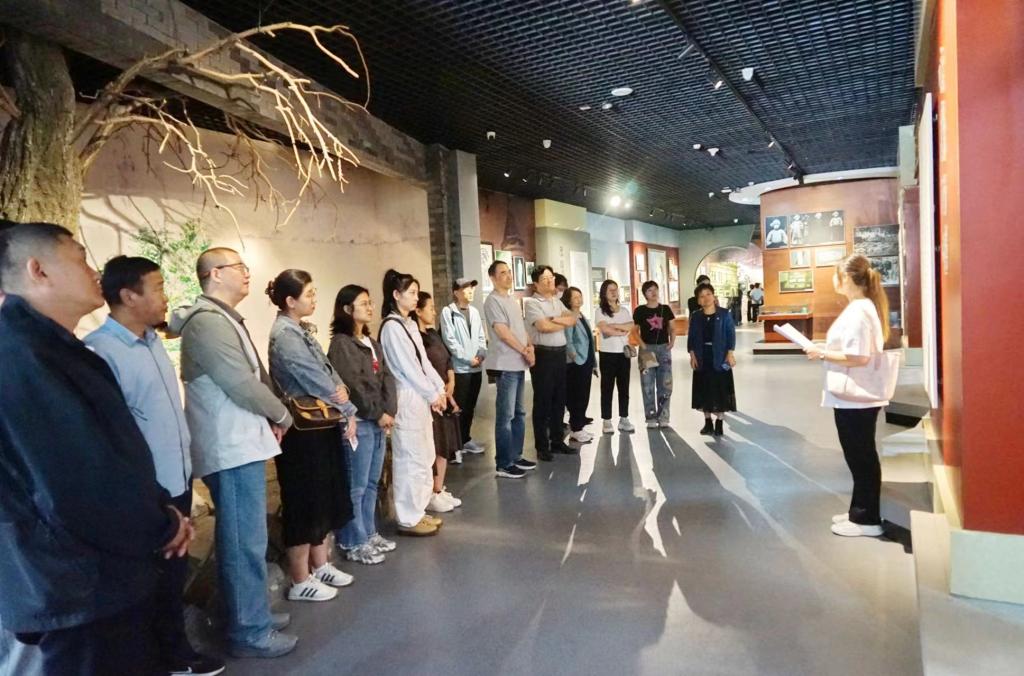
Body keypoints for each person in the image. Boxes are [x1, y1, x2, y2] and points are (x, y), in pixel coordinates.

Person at [0, 222, 192, 674]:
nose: (94, 271)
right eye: (81, 258)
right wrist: (160, 526)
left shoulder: (54, 348)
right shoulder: (23, 356)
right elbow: (76, 480)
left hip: (101, 577)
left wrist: (160, 507)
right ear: (38, 270)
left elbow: (114, 453)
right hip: (76, 585)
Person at [85, 256, 224, 676]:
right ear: (129, 296)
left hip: (175, 478)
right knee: (149, 581)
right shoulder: (101, 351)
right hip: (144, 490)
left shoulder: (151, 341)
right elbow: (114, 434)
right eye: (159, 288)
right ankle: (163, 658)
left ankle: (175, 654)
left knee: (172, 576)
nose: (166, 297)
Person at [169, 247, 298, 659]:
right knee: (244, 540)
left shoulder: (220, 317)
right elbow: (240, 382)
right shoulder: (207, 322)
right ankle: (249, 629)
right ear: (214, 274)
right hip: (230, 446)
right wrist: (282, 413)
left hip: (240, 442)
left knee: (247, 538)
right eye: (239, 267)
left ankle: (249, 613)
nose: (247, 273)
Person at [266, 270, 358, 602]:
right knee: (304, 501)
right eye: (309, 294)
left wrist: (342, 394)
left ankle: (320, 565)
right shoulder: (284, 335)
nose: (315, 299)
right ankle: (300, 578)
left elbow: (328, 371)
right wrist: (346, 406)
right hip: (302, 430)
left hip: (321, 423)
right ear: (290, 301)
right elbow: (312, 378)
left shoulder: (299, 329)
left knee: (323, 497)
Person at [804, 254, 891, 538]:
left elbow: (858, 356)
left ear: (847, 278)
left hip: (856, 398)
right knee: (860, 456)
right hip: (856, 397)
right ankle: (860, 511)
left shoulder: (858, 311)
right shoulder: (862, 307)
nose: (833, 279)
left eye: (836, 274)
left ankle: (867, 519)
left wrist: (822, 353)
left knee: (861, 457)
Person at [328, 284, 398, 564]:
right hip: (360, 421)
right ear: (347, 309)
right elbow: (353, 385)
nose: (370, 307)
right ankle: (352, 540)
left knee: (371, 483)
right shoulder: (342, 344)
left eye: (370, 302)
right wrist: (377, 413)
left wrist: (389, 410)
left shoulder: (371, 342)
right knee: (356, 486)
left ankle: (369, 533)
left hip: (379, 421)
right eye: (364, 303)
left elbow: (387, 377)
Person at [378, 269, 447, 536]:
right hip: (406, 395)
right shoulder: (391, 327)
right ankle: (408, 517)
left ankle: (419, 509)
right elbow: (408, 368)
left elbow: (423, 362)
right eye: (412, 293)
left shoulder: (408, 324)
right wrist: (432, 394)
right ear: (396, 295)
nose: (417, 297)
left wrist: (438, 389)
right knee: (410, 456)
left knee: (424, 453)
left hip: (420, 395)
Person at [482, 260, 537, 478]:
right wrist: (524, 350)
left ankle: (516, 455)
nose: (508, 276)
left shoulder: (511, 300)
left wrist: (530, 347)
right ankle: (504, 462)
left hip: (518, 363)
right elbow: (503, 333)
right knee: (506, 415)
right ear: (493, 278)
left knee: (519, 413)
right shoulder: (492, 301)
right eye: (503, 272)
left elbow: (521, 328)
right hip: (505, 365)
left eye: (509, 272)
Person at [413, 291, 464, 512]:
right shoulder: (416, 338)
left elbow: (447, 358)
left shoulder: (433, 334)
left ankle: (439, 487)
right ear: (418, 311)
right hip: (432, 397)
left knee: (445, 445)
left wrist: (451, 379)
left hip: (445, 391)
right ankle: (432, 492)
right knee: (435, 445)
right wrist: (440, 391)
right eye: (430, 308)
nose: (434, 312)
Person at [523, 265, 579, 461]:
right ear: (536, 283)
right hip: (543, 355)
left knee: (559, 399)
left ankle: (557, 441)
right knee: (543, 401)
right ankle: (542, 446)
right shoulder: (532, 303)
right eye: (545, 278)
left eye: (551, 277)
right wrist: (558, 322)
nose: (550, 281)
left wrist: (554, 319)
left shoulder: (556, 301)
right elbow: (542, 326)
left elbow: (573, 319)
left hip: (560, 354)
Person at [439, 278, 487, 458]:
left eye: (471, 288)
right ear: (456, 292)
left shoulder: (474, 312)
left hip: (476, 368)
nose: (470, 291)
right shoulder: (448, 312)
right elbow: (449, 340)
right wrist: (467, 359)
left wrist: (481, 354)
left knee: (470, 407)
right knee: (457, 407)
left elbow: (481, 336)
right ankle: (454, 445)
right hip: (460, 369)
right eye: (466, 288)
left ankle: (465, 439)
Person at [688, 282, 737, 436]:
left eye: (708, 294)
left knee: (720, 389)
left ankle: (719, 422)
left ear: (714, 296)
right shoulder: (696, 316)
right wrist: (692, 355)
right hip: (702, 356)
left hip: (720, 356)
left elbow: (731, 334)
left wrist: (730, 353)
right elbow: (691, 337)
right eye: (702, 296)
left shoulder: (724, 314)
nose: (706, 298)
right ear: (698, 300)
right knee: (704, 389)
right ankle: (707, 421)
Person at [594, 279, 635, 434]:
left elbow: (631, 326)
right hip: (607, 354)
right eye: (610, 290)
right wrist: (621, 330)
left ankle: (624, 418)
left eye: (615, 289)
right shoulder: (600, 311)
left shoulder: (624, 310)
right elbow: (605, 330)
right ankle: (607, 420)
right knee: (607, 387)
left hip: (623, 354)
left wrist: (615, 326)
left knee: (624, 387)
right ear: (604, 293)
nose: (614, 292)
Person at [634, 280, 676, 428]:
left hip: (663, 348)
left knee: (665, 383)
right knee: (648, 384)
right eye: (649, 290)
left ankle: (664, 416)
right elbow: (634, 331)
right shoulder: (640, 310)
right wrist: (643, 345)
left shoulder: (665, 309)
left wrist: (672, 341)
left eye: (655, 289)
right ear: (645, 294)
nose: (653, 293)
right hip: (647, 349)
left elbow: (672, 327)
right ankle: (650, 416)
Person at [562, 286, 596, 443]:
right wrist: (575, 357)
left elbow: (589, 340)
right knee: (576, 396)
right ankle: (576, 428)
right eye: (575, 297)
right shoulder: (569, 317)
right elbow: (568, 341)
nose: (579, 299)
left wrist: (593, 362)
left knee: (584, 395)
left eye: (580, 296)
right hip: (576, 362)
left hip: (587, 360)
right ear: (568, 300)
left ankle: (580, 426)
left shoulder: (582, 316)